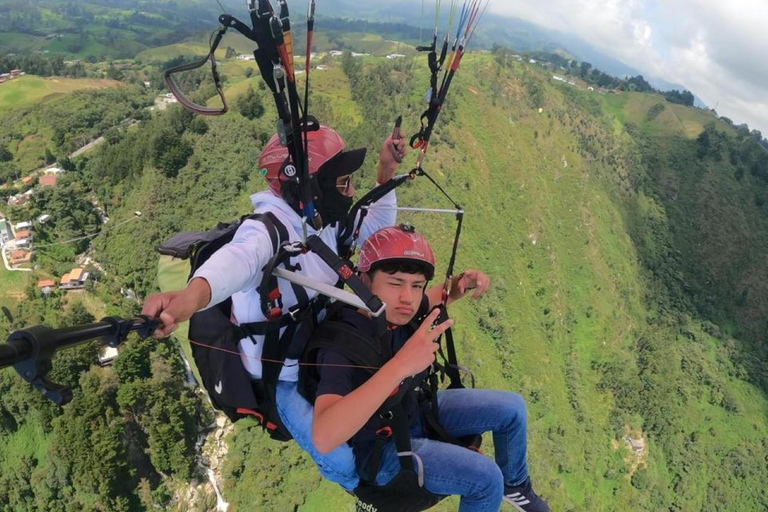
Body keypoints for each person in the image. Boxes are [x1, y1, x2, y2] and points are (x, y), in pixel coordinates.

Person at [142, 126, 407, 491]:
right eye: (342, 181)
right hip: (283, 377)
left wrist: (385, 174)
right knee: (343, 460)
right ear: (309, 186)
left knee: (394, 398)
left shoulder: (320, 222)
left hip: (324, 349)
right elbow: (236, 262)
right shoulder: (266, 232)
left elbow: (373, 234)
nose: (349, 191)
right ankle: (362, 492)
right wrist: (188, 299)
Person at [304, 225, 550, 512]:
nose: (408, 297)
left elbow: (433, 298)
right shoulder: (343, 342)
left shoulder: (395, 310)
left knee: (513, 409)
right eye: (395, 284)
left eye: (416, 285)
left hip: (413, 412)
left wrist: (460, 284)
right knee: (485, 479)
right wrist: (400, 366)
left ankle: (516, 485)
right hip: (383, 450)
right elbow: (323, 437)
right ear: (364, 281)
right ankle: (499, 485)